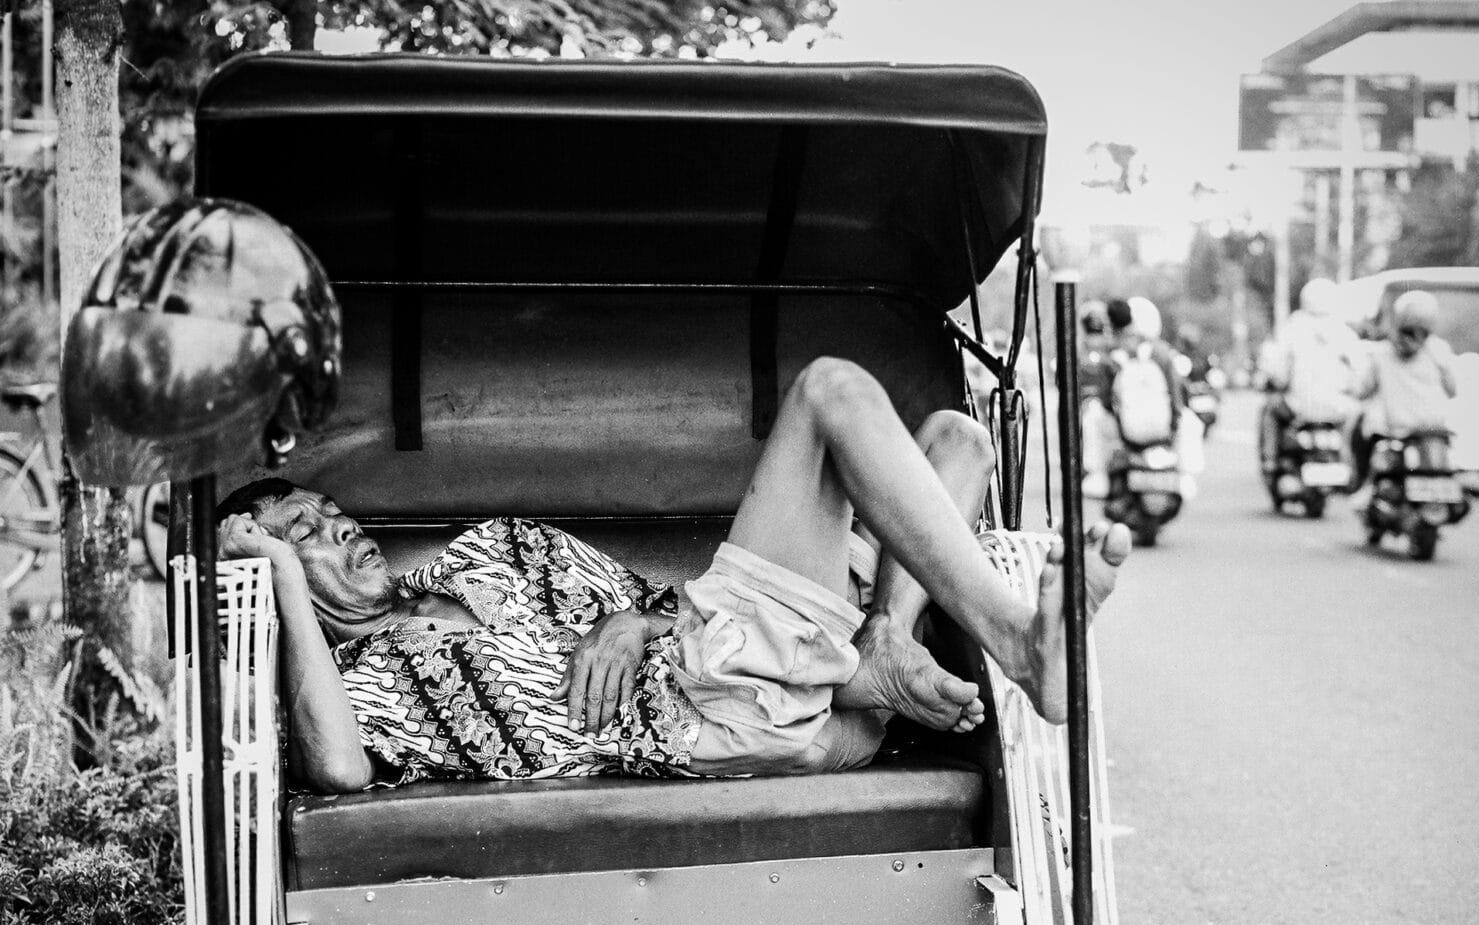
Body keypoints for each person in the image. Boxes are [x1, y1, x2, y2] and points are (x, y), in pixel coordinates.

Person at [217, 358, 1131, 793]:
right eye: (303, 532)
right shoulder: (361, 682)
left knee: (957, 443)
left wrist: (632, 624)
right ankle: (1009, 639)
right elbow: (336, 769)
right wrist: (285, 589)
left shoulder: (495, 547)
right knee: (830, 391)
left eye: (327, 508)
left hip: (793, 701)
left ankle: (882, 644)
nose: (333, 522)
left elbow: (671, 611)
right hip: (716, 711)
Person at [1081, 297, 1199, 498]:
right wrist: (1175, 422)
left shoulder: (1112, 355)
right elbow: (1177, 397)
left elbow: (1106, 402)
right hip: (1163, 431)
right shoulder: (1162, 352)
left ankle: (1097, 476)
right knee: (1191, 421)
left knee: (1091, 417)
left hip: (1127, 433)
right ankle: (1187, 475)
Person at [1347, 290, 1459, 498]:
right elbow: (1452, 390)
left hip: (1397, 431)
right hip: (1435, 429)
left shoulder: (1382, 354)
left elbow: (1363, 391)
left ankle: (1363, 487)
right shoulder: (1439, 350)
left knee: (1362, 436)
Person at [1259, 277, 1363, 474]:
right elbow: (1360, 375)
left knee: (1269, 410)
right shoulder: (1345, 332)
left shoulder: (1291, 329)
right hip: (1340, 410)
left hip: (1298, 408)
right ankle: (1352, 463)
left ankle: (1270, 460)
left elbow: (1279, 374)